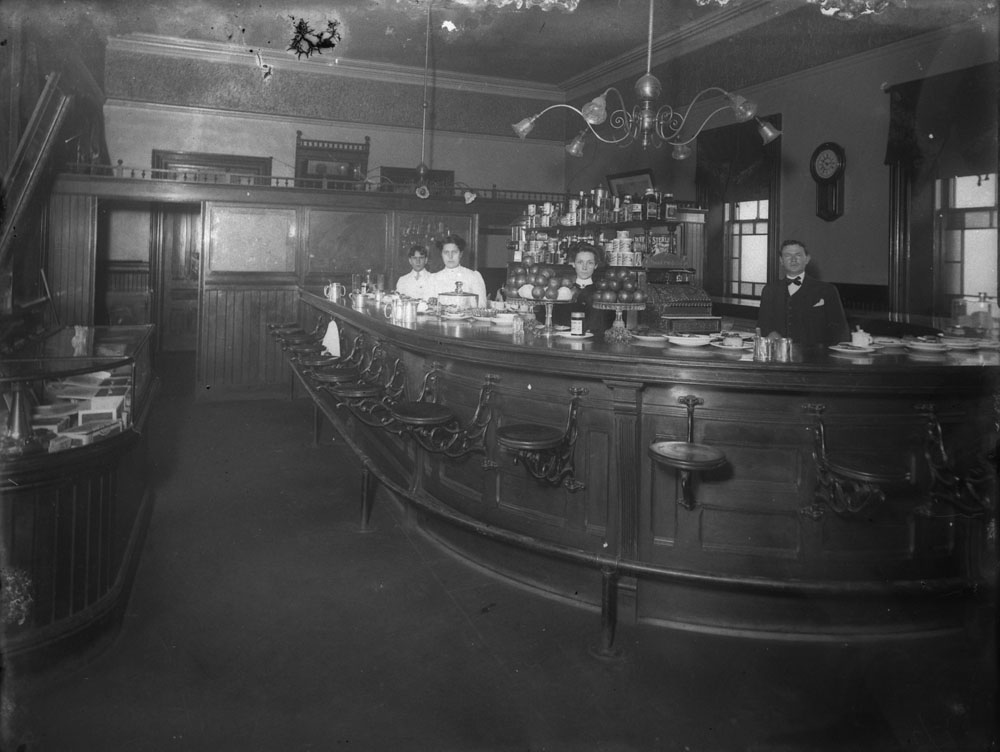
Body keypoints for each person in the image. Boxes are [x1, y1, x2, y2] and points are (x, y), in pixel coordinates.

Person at [758, 239, 849, 347]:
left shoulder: (827, 290)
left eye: (798, 255)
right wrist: (770, 332)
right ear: (781, 260)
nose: (793, 260)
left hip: (816, 357)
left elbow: (840, 329)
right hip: (779, 355)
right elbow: (762, 324)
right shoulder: (769, 290)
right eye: (787, 255)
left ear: (807, 259)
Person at [536, 242, 613, 332]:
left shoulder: (603, 293)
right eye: (580, 262)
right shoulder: (561, 290)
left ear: (596, 265)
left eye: (590, 263)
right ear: (573, 263)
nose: (584, 267)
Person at [429, 234, 488, 307]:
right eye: (446, 252)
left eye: (454, 252)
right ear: (441, 254)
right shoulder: (433, 278)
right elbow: (428, 306)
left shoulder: (473, 276)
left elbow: (481, 306)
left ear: (461, 254)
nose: (450, 256)